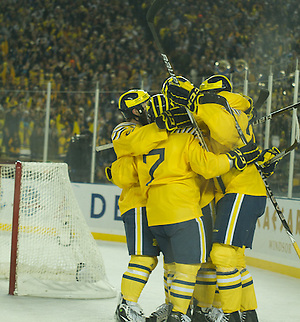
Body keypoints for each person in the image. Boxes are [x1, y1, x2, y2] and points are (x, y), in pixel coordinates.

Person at [134, 93, 261, 322]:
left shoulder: (144, 141)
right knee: (192, 267)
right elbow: (209, 167)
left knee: (171, 266)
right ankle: (181, 314)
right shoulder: (188, 138)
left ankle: (181, 308)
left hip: (155, 210)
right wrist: (236, 158)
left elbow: (132, 176)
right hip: (185, 207)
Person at [163, 74, 281, 322]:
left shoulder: (227, 109)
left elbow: (226, 134)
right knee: (235, 258)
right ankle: (247, 314)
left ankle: (231, 315)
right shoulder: (226, 113)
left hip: (242, 189)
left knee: (222, 255)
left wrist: (196, 100)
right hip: (236, 190)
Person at [106, 89, 170, 322]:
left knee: (174, 260)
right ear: (136, 110)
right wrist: (163, 127)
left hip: (161, 202)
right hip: (138, 203)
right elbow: (139, 144)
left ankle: (172, 306)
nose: (153, 108)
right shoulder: (124, 129)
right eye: (148, 105)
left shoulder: (154, 128)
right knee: (144, 257)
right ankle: (127, 304)